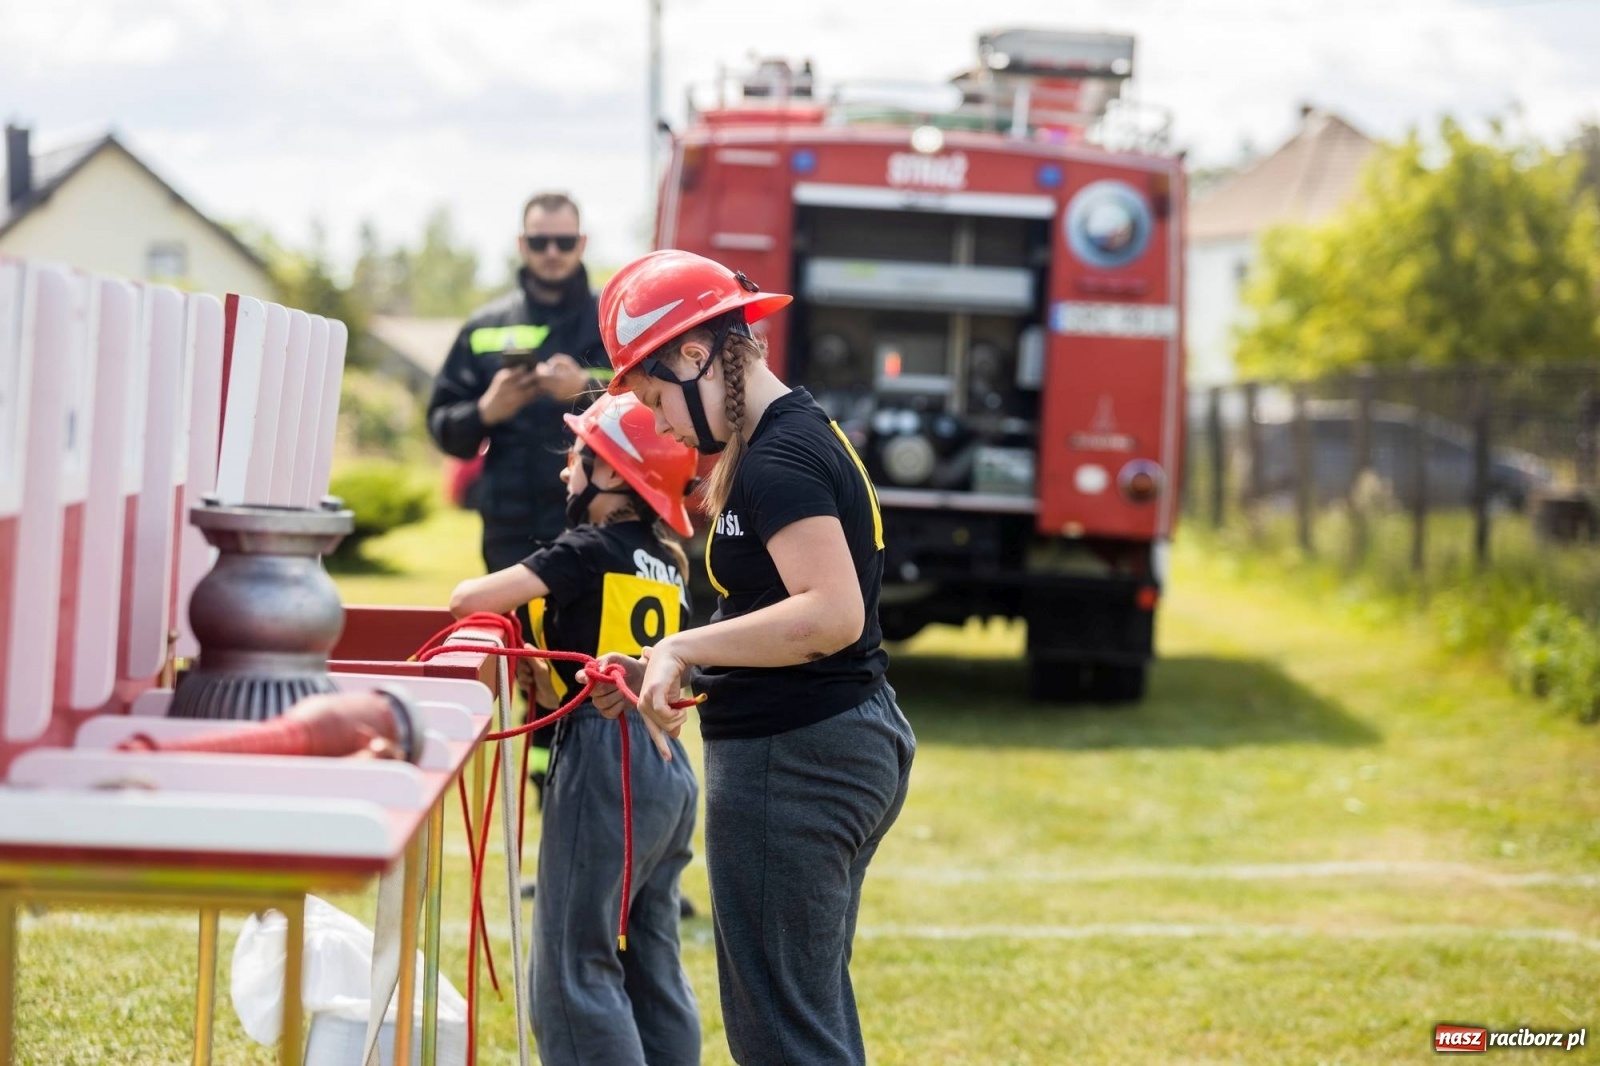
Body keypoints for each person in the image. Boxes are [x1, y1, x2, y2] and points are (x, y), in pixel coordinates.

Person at [583, 250, 917, 1066]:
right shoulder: (781, 437)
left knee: (783, 1038)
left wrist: (685, 645)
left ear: (695, 355)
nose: (659, 424)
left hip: (799, 758)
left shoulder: (778, 456)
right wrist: (666, 660)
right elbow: (772, 607)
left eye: (656, 397)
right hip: (822, 742)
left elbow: (831, 615)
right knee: (803, 1017)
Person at [449, 392, 702, 1066]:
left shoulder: (586, 547)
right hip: (669, 766)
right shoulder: (667, 558)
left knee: (573, 966)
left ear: (615, 474)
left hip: (605, 753)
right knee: (652, 963)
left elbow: (467, 601)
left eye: (576, 457)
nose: (565, 472)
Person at [428, 191, 612, 786]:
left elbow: (658, 412)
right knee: (526, 674)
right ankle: (540, 791)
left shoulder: (612, 321)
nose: (553, 253)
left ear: (582, 244)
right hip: (512, 532)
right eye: (540, 241)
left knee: (592, 663)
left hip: (598, 531)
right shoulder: (486, 328)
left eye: (564, 241)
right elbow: (444, 428)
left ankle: (596, 785)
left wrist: (588, 389)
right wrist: (485, 409)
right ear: (521, 245)